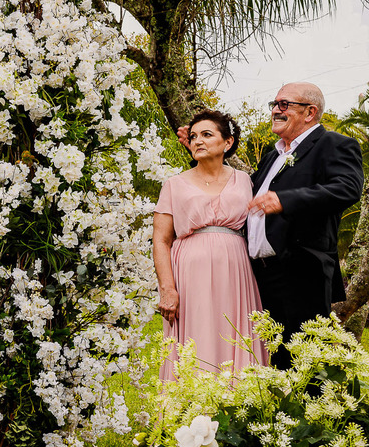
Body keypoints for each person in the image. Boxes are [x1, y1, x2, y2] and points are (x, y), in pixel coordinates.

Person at [246, 83, 364, 369]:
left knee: (303, 363)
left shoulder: (334, 144)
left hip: (301, 272)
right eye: (274, 104)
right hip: (258, 275)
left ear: (310, 112)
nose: (275, 110)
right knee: (268, 361)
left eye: (284, 104)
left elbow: (347, 188)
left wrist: (285, 200)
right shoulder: (272, 155)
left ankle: (310, 414)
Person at [154, 110, 266, 379]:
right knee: (197, 334)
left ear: (227, 143)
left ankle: (237, 409)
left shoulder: (246, 180)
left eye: (206, 134)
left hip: (236, 272)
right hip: (190, 273)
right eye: (193, 136)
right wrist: (168, 289)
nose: (197, 141)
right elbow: (161, 239)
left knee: (235, 334)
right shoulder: (174, 184)